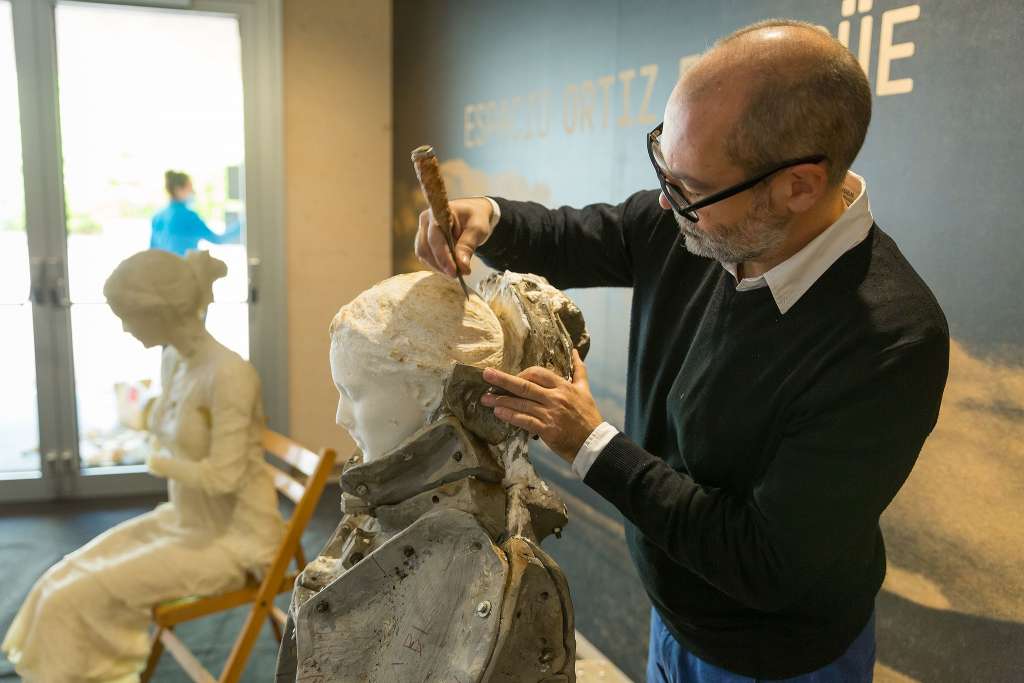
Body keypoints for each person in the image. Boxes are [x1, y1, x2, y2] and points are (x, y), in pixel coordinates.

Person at [415, 19, 950, 683]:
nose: (666, 202)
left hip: (773, 659)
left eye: (689, 189)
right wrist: (490, 217)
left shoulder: (890, 340)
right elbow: (587, 234)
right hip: (673, 615)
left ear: (799, 186)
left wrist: (592, 443)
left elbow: (763, 558)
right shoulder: (711, 217)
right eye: (662, 163)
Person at [1, 250, 283, 683]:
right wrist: (141, 419)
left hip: (232, 539)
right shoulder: (174, 359)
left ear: (160, 311)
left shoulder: (230, 374)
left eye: (128, 315)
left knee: (74, 599)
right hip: (185, 519)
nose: (124, 327)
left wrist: (159, 462)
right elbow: (173, 424)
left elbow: (224, 477)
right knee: (60, 578)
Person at [150, 170, 240, 256]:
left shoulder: (157, 216)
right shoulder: (188, 217)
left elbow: (152, 252)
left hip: (163, 270)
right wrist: (244, 223)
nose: (193, 192)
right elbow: (218, 240)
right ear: (179, 190)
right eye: (190, 188)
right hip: (184, 269)